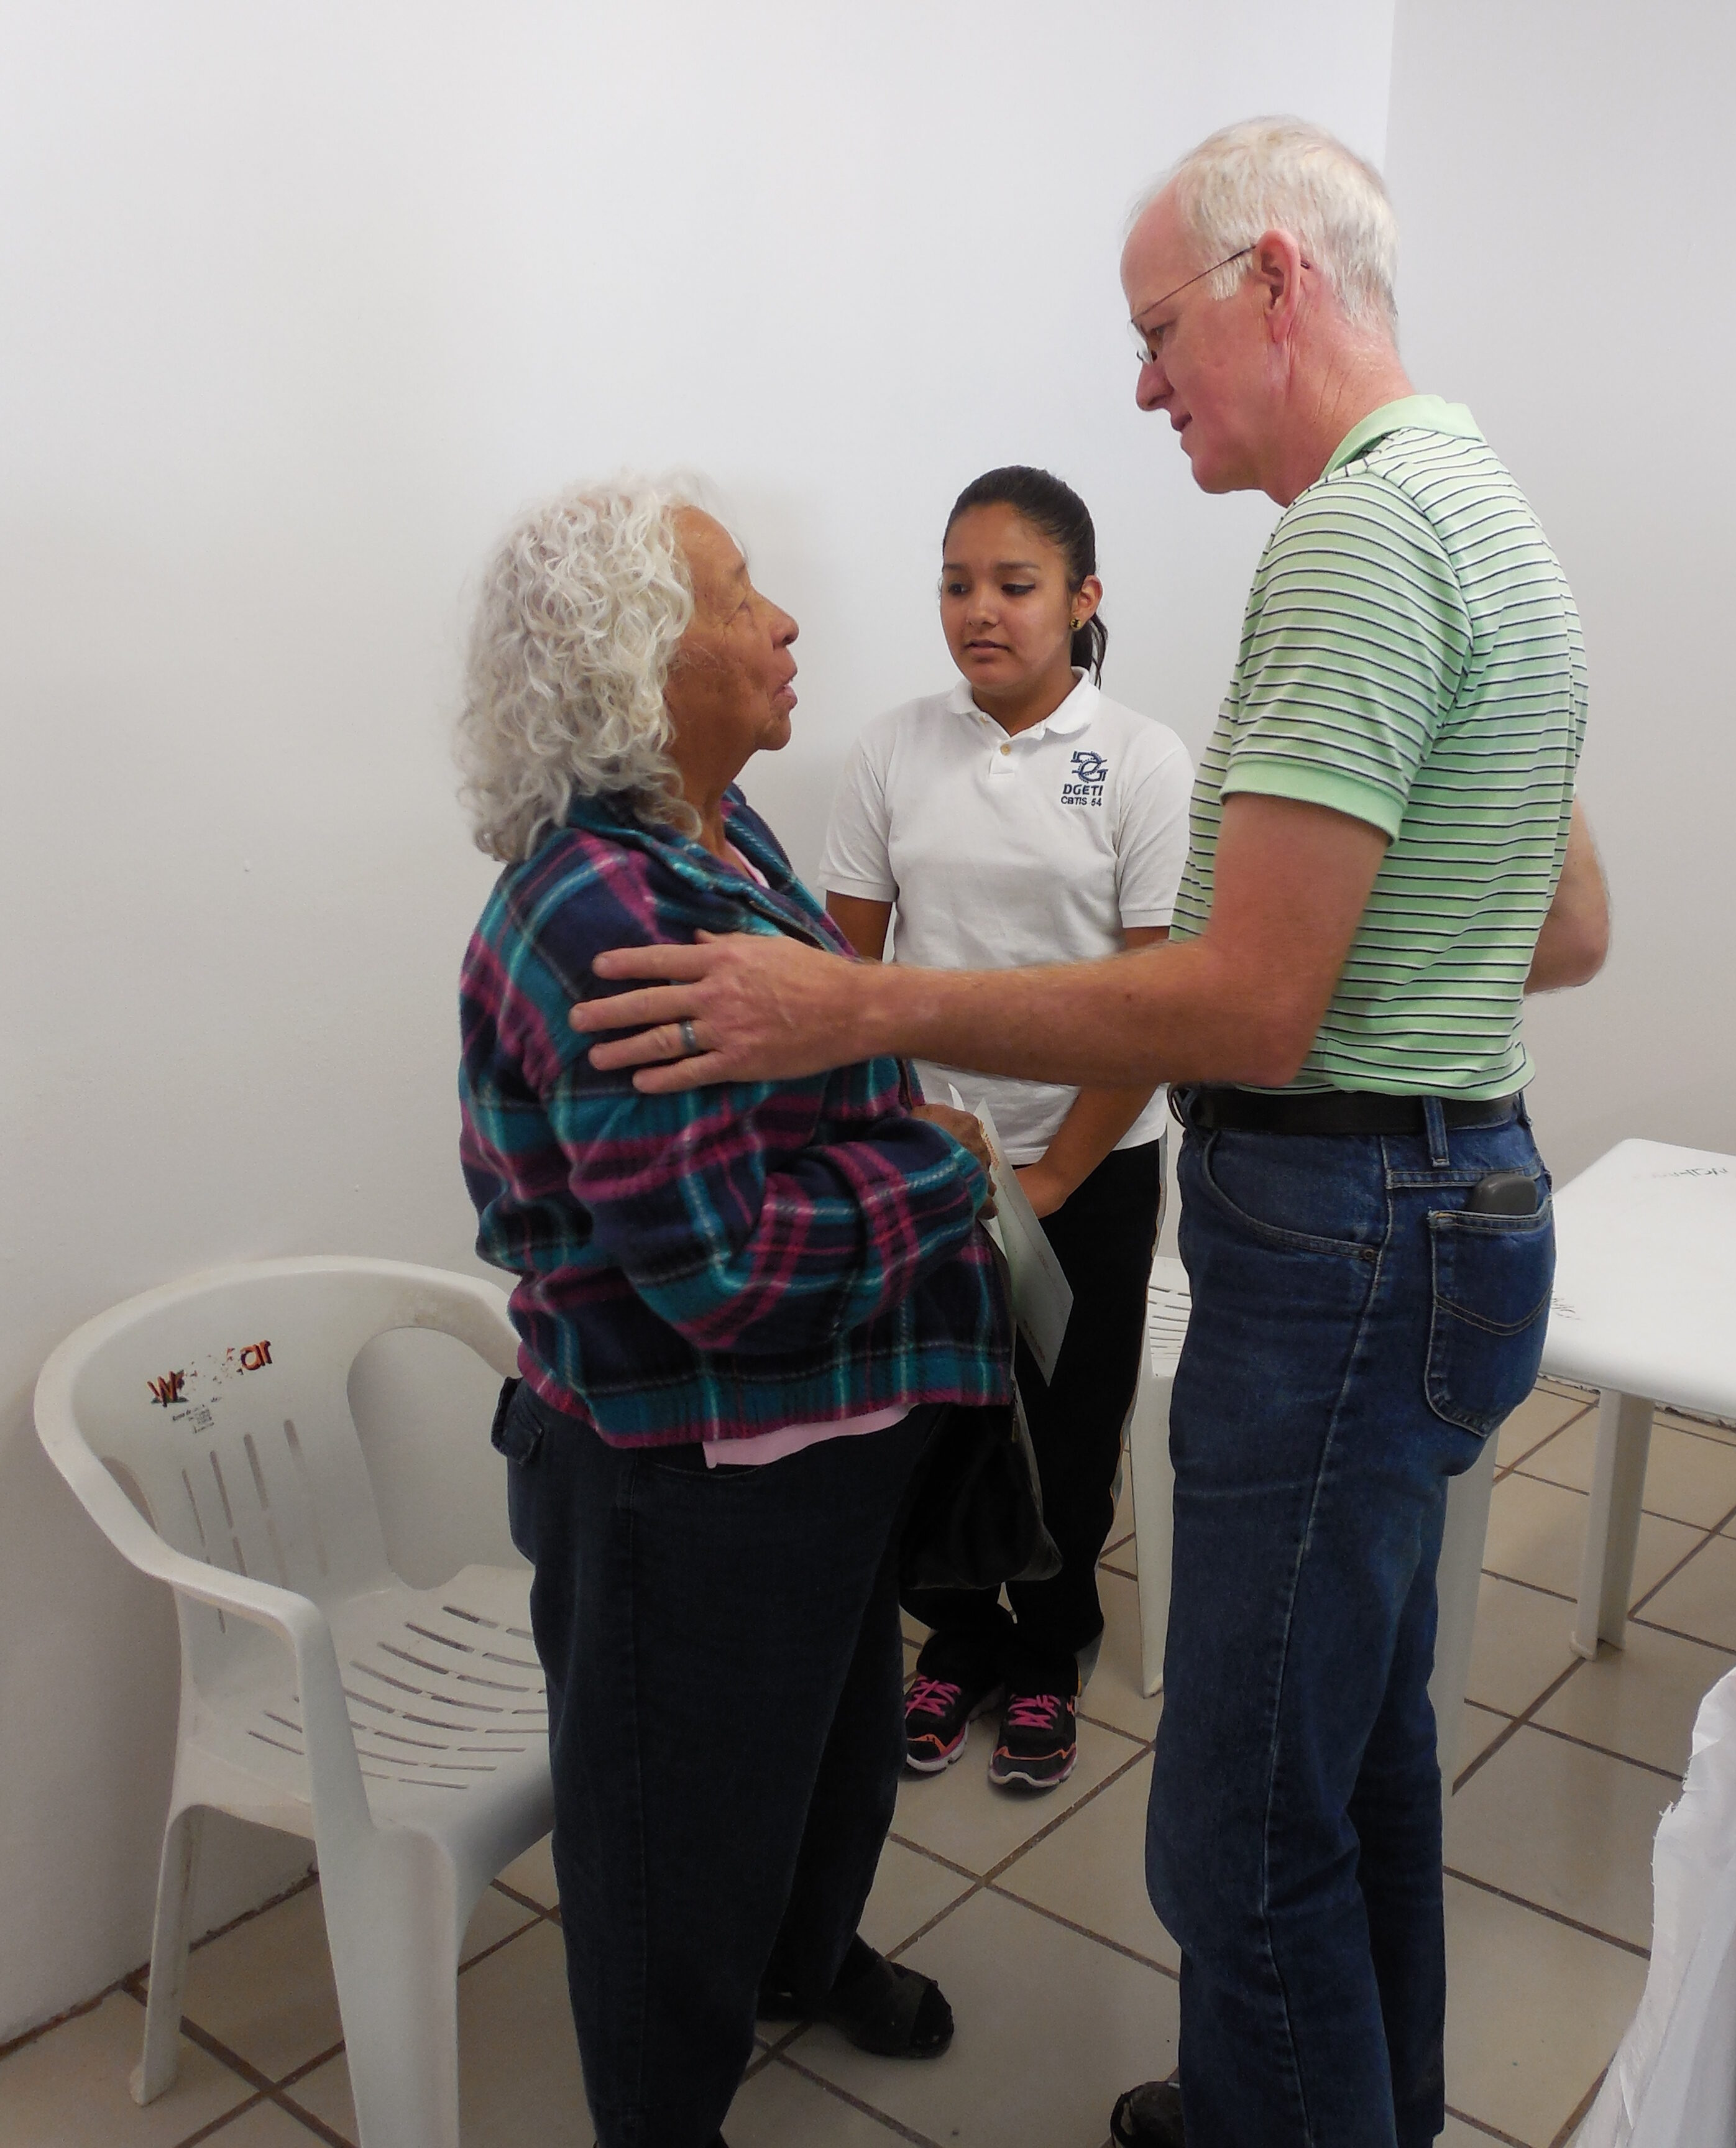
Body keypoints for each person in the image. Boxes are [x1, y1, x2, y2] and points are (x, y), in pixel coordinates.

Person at [569, 116, 1610, 2148]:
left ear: (1278, 282)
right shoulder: (1488, 515)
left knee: (1228, 1825)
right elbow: (1558, 928)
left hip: (1344, 1221)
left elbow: (1241, 998)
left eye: (1158, 333)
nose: (1144, 385)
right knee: (1357, 1756)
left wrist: (862, 1008)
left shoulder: (1355, 540)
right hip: (1457, 1187)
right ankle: (1332, 2105)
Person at [454, 477, 1012, 2148]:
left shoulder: (718, 833)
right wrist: (949, 1171)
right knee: (667, 1851)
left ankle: (803, 1954)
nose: (785, 623)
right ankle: (665, 2110)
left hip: (819, 1445)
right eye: (741, 593)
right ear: (635, 666)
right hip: (692, 1473)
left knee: (832, 1757)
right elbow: (724, 1274)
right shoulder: (611, 913)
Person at [820, 464, 1193, 1793]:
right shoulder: (892, 749)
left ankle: (1051, 1650)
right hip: (933, 1158)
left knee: (1068, 1421)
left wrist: (1054, 1172)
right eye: (956, 584)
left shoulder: (1143, 762)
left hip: (1093, 1159)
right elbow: (848, 979)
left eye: (1015, 585)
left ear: (1084, 599)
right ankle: (961, 1640)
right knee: (935, 1411)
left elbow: (1155, 1003)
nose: (980, 611)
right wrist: (918, 1132)